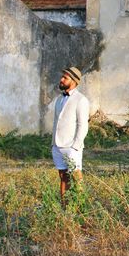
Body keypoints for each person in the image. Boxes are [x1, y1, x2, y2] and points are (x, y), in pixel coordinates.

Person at [52, 66, 89, 207]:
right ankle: (65, 207)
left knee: (76, 178)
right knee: (63, 177)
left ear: (74, 81)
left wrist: (76, 146)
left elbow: (83, 125)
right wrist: (53, 144)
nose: (61, 80)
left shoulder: (81, 100)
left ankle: (80, 209)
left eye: (65, 78)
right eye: (62, 77)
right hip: (57, 145)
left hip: (71, 147)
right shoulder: (59, 100)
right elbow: (57, 122)